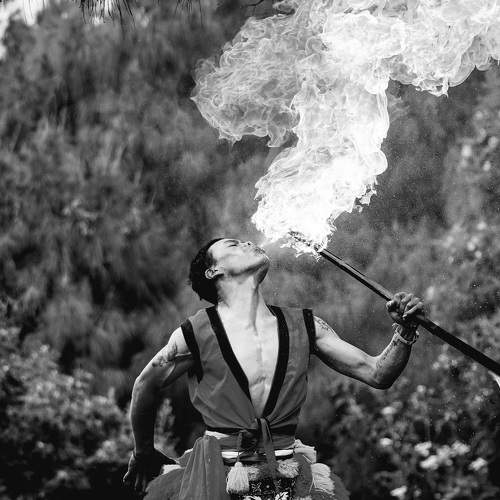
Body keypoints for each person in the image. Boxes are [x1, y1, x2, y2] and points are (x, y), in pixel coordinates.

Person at [123, 238, 425, 500]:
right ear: (213, 271)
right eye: (233, 244)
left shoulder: (306, 326)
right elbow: (145, 385)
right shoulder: (195, 333)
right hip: (217, 481)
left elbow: (377, 373)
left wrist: (405, 331)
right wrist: (143, 451)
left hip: (288, 480)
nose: (247, 243)